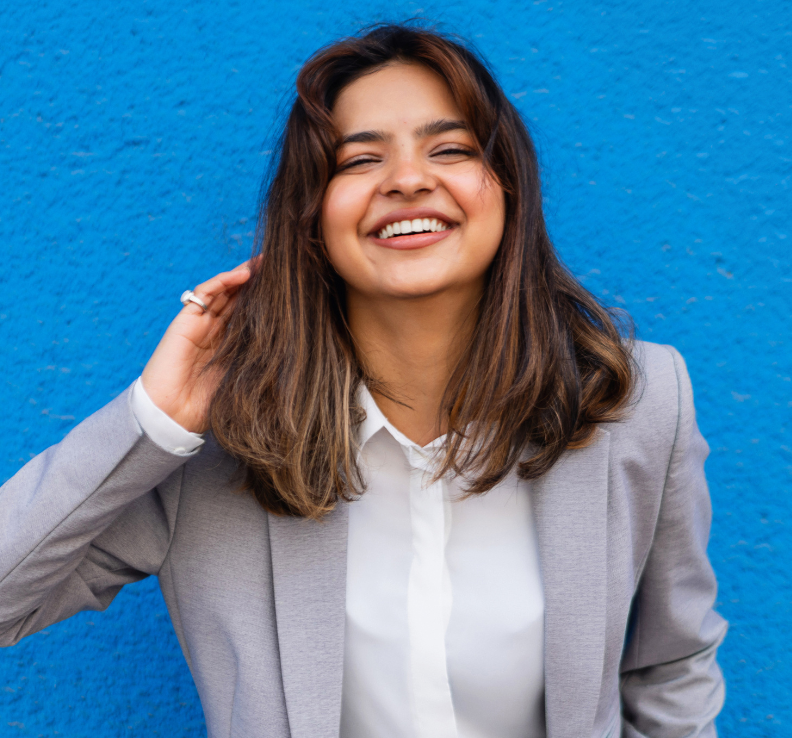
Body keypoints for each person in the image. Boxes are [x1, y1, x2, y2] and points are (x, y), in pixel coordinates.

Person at [0, 24, 726, 738]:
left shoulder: (638, 404)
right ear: (310, 214)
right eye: (358, 160)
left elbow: (672, 665)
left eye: (450, 149)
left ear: (508, 187)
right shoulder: (220, 441)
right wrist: (151, 422)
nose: (408, 180)